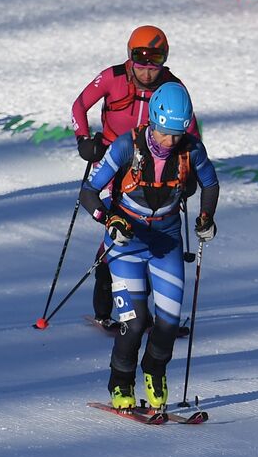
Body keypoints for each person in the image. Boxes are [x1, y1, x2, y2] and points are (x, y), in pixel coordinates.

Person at [78, 83, 219, 410]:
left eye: (178, 134)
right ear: (153, 122)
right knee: (134, 321)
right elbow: (89, 192)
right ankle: (121, 379)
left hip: (167, 240)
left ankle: (154, 371)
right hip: (127, 241)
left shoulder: (191, 149)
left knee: (169, 322)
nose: (171, 142)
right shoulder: (126, 147)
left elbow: (210, 184)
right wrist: (108, 219)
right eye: (166, 133)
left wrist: (206, 219)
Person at [70, 25, 198, 328]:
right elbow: (78, 106)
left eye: (155, 64)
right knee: (117, 231)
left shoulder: (173, 87)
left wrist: (188, 170)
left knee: (153, 238)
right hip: (115, 162)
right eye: (141, 63)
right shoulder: (113, 77)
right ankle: (108, 309)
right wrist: (83, 139)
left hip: (156, 170)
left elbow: (190, 132)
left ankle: (148, 312)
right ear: (131, 57)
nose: (147, 71)